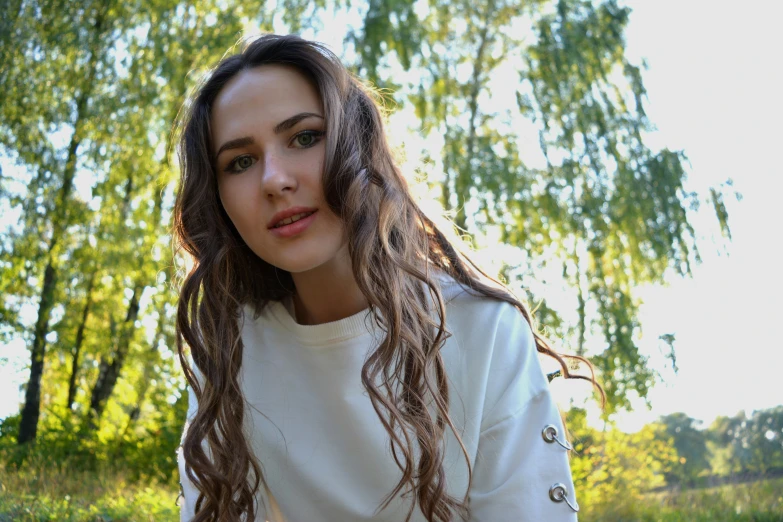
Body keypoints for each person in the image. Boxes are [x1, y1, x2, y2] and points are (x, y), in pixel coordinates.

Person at [173, 33, 601, 522]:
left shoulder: (483, 329)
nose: (274, 179)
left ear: (359, 147)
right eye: (241, 162)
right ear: (219, 200)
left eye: (305, 137)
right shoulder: (230, 347)